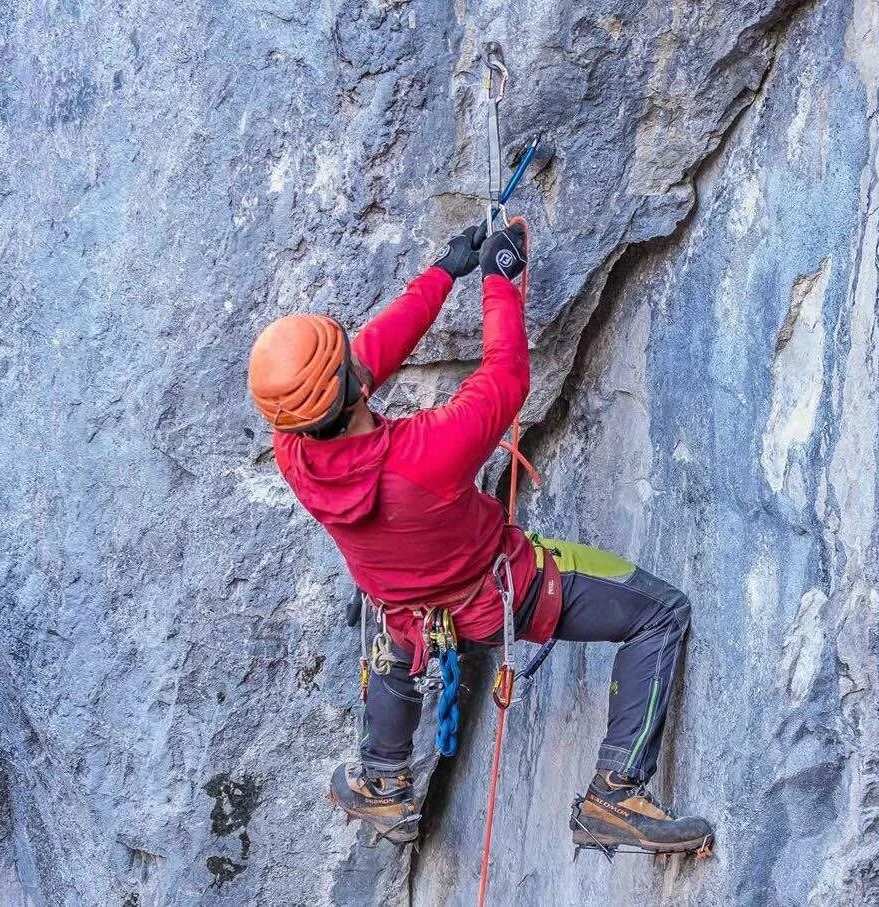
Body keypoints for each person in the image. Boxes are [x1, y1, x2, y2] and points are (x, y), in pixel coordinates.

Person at [247, 223, 712, 854]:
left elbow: (367, 360)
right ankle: (616, 792)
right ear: (353, 387)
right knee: (660, 611)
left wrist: (444, 273)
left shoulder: (293, 452)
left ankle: (384, 778)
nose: (362, 358)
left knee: (392, 616)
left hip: (406, 610)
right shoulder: (425, 455)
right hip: (507, 597)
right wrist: (496, 281)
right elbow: (505, 378)